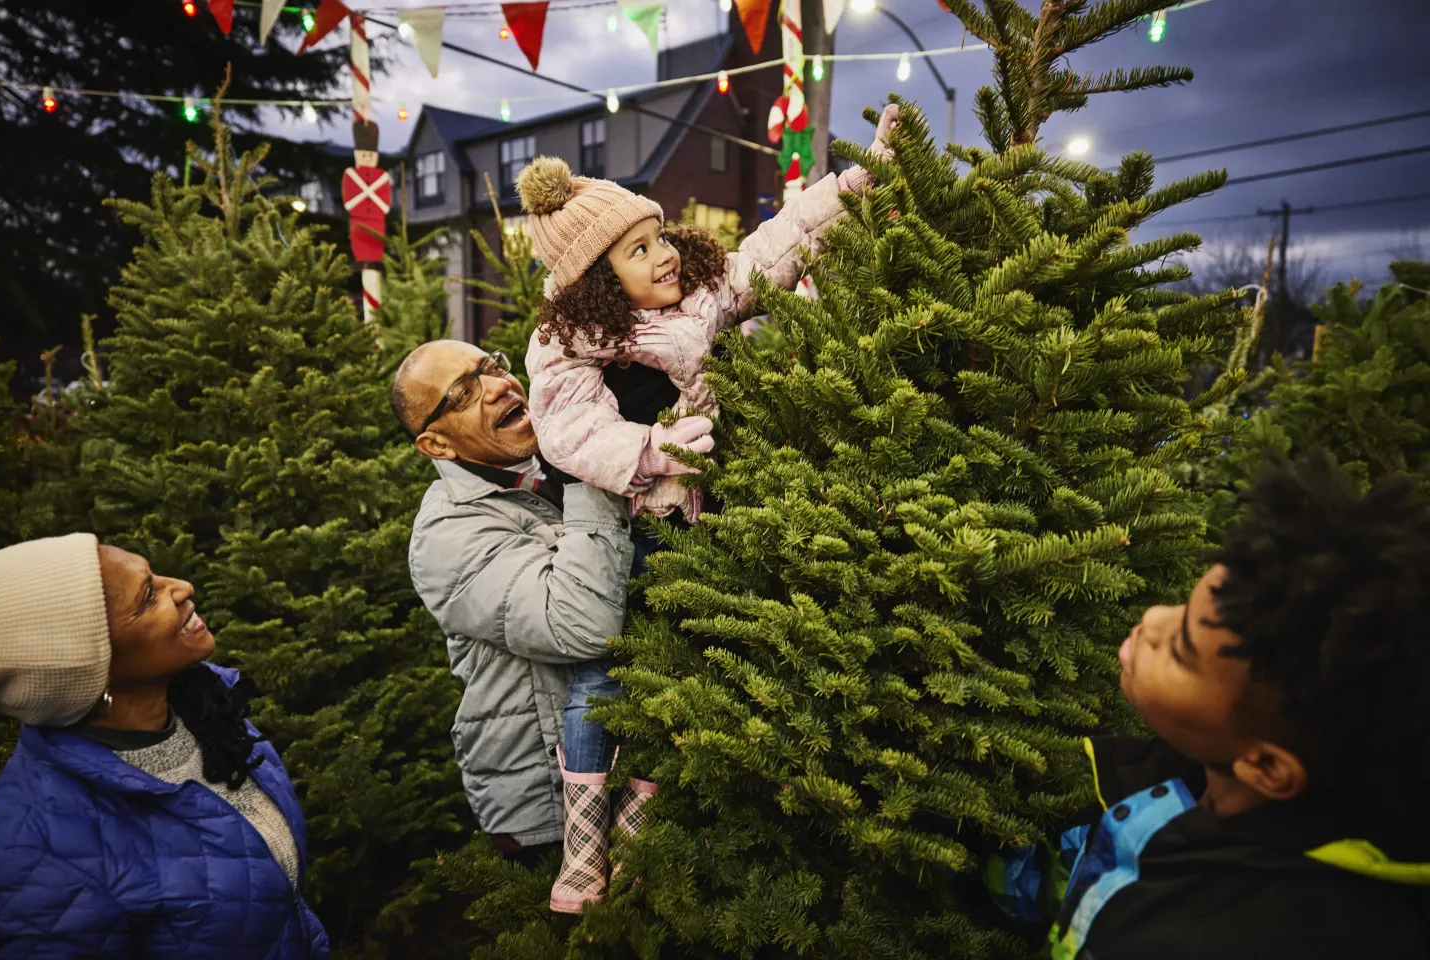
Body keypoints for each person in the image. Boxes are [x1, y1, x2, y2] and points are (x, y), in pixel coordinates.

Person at [508, 104, 901, 902]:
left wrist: (856, 181)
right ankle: (581, 849)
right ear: (593, 279)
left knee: (680, 661)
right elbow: (567, 427)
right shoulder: (566, 341)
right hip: (612, 533)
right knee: (601, 678)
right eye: (637, 250)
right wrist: (652, 451)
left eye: (658, 237)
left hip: (692, 526)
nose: (662, 256)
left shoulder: (700, 296)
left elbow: (775, 246)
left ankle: (637, 829)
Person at [986, 454, 1430, 959]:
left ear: (1265, 765)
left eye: (1180, 650)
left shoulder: (1223, 938)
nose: (1152, 618)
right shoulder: (1198, 778)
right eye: (1180, 608)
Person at [393, 338, 651, 914]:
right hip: (551, 817)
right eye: (463, 392)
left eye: (491, 366)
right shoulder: (448, 537)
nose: (496, 386)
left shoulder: (544, 466)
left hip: (640, 772)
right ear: (434, 443)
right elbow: (582, 627)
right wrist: (591, 464)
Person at [0, 533, 329, 959]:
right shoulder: (40, 858)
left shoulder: (207, 710)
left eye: (152, 574)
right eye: (148, 597)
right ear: (92, 670)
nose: (182, 587)